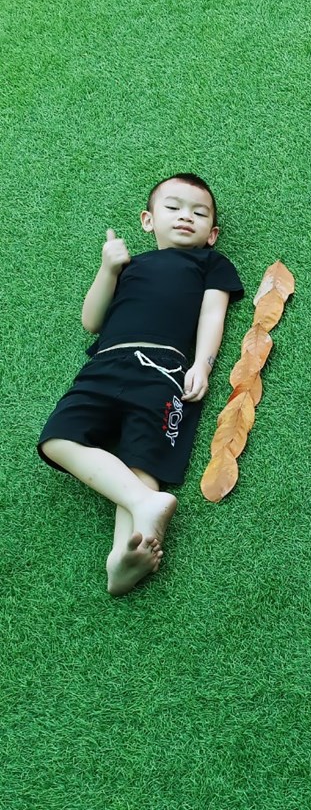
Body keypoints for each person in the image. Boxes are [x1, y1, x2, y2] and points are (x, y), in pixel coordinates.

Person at [39, 173, 244, 595]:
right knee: (56, 439)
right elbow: (91, 321)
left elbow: (212, 315)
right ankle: (142, 502)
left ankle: (123, 557)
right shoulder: (130, 267)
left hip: (164, 370)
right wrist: (108, 267)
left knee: (143, 458)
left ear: (212, 234)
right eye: (173, 207)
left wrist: (203, 365)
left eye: (199, 212)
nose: (185, 216)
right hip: (106, 362)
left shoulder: (211, 264)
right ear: (148, 221)